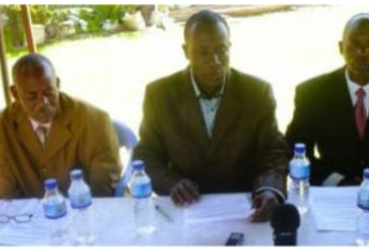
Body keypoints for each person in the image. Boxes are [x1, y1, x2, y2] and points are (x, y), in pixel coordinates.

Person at [134, 10, 290, 222]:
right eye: (203, 52)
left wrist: (269, 189)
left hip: (245, 207)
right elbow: (146, 154)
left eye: (221, 50)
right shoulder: (160, 94)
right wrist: (171, 183)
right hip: (184, 209)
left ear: (230, 48)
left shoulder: (256, 92)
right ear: (186, 52)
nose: (215, 61)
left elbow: (273, 150)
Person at [286, 13, 369, 186]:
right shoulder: (312, 93)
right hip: (333, 193)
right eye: (355, 44)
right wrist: (337, 182)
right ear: (341, 47)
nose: (363, 52)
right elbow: (295, 152)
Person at [0, 53, 122, 198]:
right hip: (30, 215)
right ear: (15, 93)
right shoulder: (4, 126)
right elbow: (5, 192)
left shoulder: (94, 120)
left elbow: (104, 185)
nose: (42, 103)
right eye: (32, 97)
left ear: (57, 84)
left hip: (86, 207)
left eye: (49, 92)